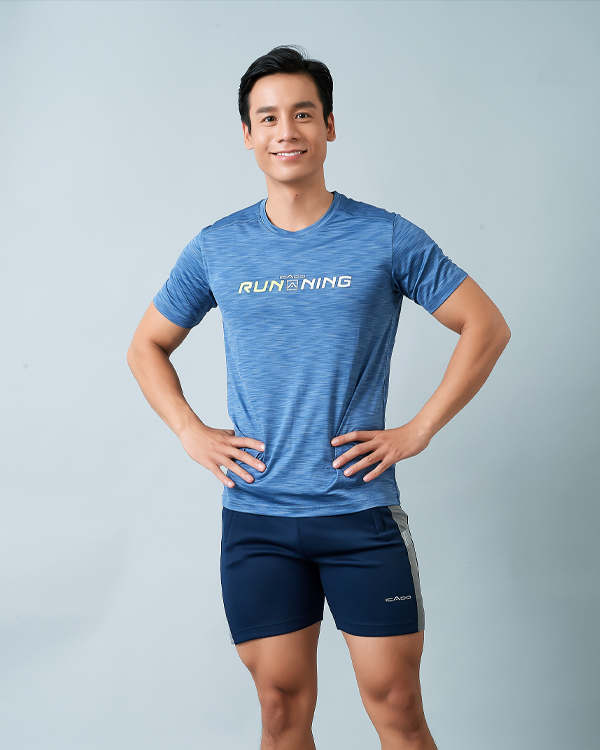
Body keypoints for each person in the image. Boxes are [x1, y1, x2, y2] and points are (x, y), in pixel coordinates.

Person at [127, 45, 510, 750]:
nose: (286, 131)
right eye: (268, 118)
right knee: (280, 711)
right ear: (248, 135)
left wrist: (419, 429)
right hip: (259, 520)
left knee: (397, 708)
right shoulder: (218, 247)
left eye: (303, 114)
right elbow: (146, 344)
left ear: (329, 126)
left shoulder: (384, 236)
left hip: (358, 514)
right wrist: (189, 430)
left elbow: (485, 325)